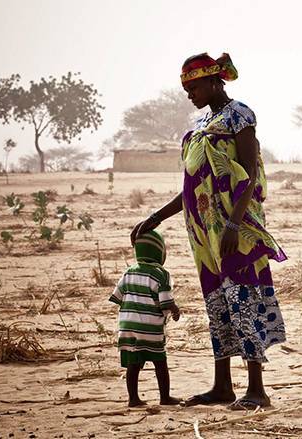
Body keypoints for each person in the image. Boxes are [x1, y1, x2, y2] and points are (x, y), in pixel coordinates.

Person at [131, 52, 287, 411]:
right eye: (186, 88)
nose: (190, 93)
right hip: (204, 234)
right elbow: (192, 187)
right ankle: (222, 387)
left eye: (194, 85)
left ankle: (257, 390)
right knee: (218, 303)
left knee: (243, 299)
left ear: (215, 81)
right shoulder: (202, 126)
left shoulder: (239, 115)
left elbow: (247, 172)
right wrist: (155, 217)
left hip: (237, 228)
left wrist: (234, 223)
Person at [110, 229, 181, 407]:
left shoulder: (128, 272)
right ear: (159, 252)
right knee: (160, 363)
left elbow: (118, 297)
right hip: (151, 328)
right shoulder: (161, 274)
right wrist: (175, 310)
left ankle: (133, 399)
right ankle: (165, 398)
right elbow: (165, 302)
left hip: (128, 328)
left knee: (134, 364)